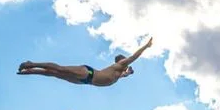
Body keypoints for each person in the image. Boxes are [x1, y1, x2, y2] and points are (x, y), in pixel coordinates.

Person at [17, 37, 153, 86]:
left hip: (85, 81)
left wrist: (129, 73)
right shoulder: (120, 65)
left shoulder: (119, 73)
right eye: (126, 63)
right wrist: (146, 46)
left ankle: (30, 71)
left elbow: (125, 74)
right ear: (122, 61)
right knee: (60, 69)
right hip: (88, 73)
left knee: (56, 74)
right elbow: (135, 56)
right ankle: (32, 64)